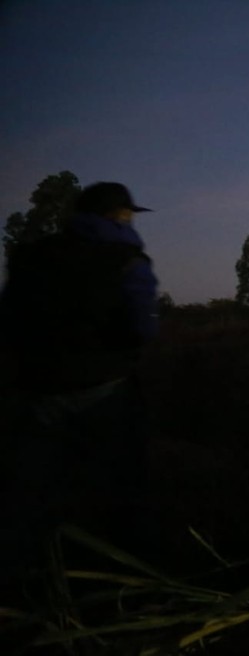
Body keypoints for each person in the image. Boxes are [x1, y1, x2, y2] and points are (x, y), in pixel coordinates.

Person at [0, 182, 159, 583]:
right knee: (123, 492)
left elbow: (9, 322)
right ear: (119, 216)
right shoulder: (128, 260)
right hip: (107, 391)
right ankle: (127, 583)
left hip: (37, 393)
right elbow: (142, 329)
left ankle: (19, 583)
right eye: (127, 213)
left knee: (26, 495)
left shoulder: (31, 256)